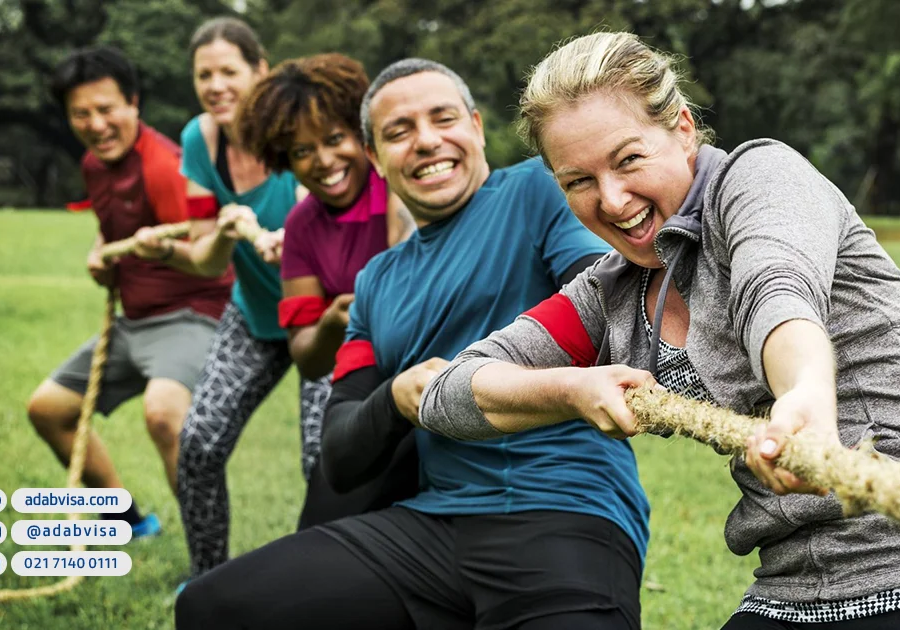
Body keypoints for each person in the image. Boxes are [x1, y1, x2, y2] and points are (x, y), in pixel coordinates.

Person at [419, 32, 900, 630]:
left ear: (682, 130)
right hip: (793, 591)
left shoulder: (758, 180)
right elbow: (453, 390)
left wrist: (805, 396)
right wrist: (570, 389)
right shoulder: (609, 294)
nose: (612, 199)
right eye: (579, 181)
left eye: (628, 160)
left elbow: (777, 290)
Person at [175, 58, 648, 630]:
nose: (426, 141)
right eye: (399, 132)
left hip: (564, 512)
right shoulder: (376, 283)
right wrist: (398, 396)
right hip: (429, 529)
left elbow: (609, 311)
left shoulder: (537, 191)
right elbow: (341, 456)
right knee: (210, 607)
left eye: (442, 119)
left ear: (475, 126)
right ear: (376, 158)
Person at [126, 16, 311, 579]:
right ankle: (207, 580)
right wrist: (166, 251)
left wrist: (295, 241)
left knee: (324, 459)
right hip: (255, 315)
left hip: (321, 318)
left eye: (228, 71)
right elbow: (207, 257)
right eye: (203, 75)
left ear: (261, 70)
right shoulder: (199, 139)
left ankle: (322, 582)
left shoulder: (298, 128)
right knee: (199, 445)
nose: (215, 86)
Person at [27, 46, 233, 539]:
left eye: (107, 109)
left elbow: (210, 254)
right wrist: (102, 253)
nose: (96, 124)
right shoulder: (96, 166)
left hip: (191, 313)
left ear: (134, 103)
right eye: (82, 113)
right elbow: (114, 226)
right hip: (133, 321)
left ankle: (209, 563)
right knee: (48, 410)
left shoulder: (165, 166)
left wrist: (157, 251)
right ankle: (128, 522)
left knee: (163, 412)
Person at [235, 52, 415, 526]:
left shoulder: (395, 182)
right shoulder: (301, 227)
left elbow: (414, 257)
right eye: (301, 151)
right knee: (325, 484)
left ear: (362, 134)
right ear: (283, 159)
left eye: (335, 139)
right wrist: (335, 322)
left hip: (426, 372)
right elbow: (307, 357)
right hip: (357, 373)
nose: (324, 161)